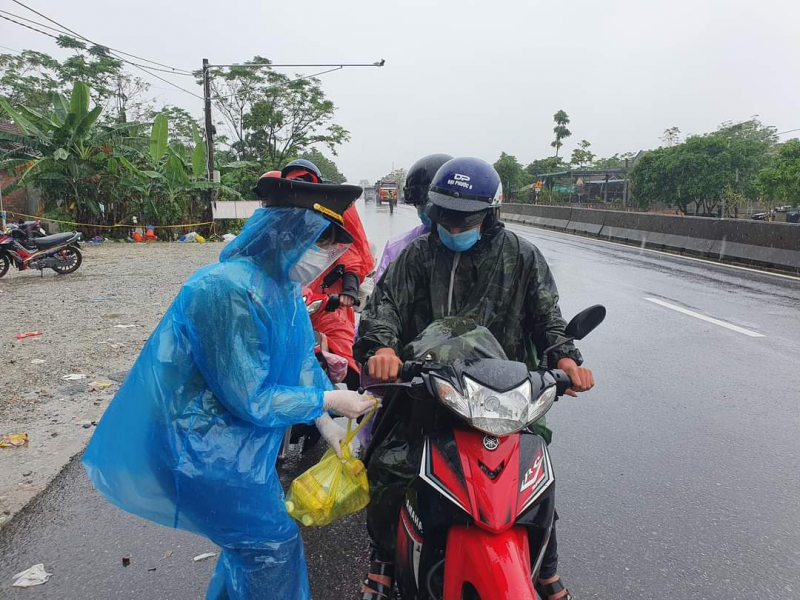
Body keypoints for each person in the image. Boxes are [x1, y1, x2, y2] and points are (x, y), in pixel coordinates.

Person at [83, 174, 375, 600]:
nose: (324, 258)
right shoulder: (224, 289)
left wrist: (325, 421)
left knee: (249, 550)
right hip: (199, 448)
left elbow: (296, 363)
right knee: (269, 547)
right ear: (286, 234)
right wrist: (328, 398)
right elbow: (250, 396)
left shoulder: (283, 288)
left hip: (236, 447)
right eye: (319, 244)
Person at [354, 157, 594, 600]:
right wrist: (383, 348)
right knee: (390, 464)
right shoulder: (417, 255)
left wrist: (564, 360)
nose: (453, 224)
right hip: (428, 389)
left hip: (503, 395)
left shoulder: (521, 257)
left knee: (533, 473)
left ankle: (547, 569)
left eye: (465, 218)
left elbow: (549, 320)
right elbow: (383, 308)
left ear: (491, 213)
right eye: (444, 214)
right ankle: (383, 560)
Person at [282, 158, 374, 389]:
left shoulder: (333, 206)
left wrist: (349, 289)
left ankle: (360, 397)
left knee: (344, 348)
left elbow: (352, 252)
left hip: (327, 297)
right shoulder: (276, 218)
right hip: (286, 301)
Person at [373, 153, 452, 282]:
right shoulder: (398, 247)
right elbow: (382, 294)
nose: (426, 210)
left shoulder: (484, 249)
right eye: (420, 204)